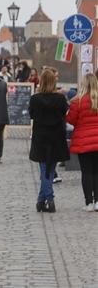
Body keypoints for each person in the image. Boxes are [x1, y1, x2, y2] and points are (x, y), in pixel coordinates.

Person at [28, 69, 69, 213]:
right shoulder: (60, 99)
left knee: (44, 168)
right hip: (56, 136)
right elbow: (64, 113)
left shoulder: (35, 99)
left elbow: (31, 115)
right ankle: (45, 200)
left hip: (41, 136)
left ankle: (45, 199)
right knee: (50, 168)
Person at [66, 73, 98, 212]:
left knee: (86, 172)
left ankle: (88, 202)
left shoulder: (77, 101)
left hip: (83, 142)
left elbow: (71, 120)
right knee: (97, 172)